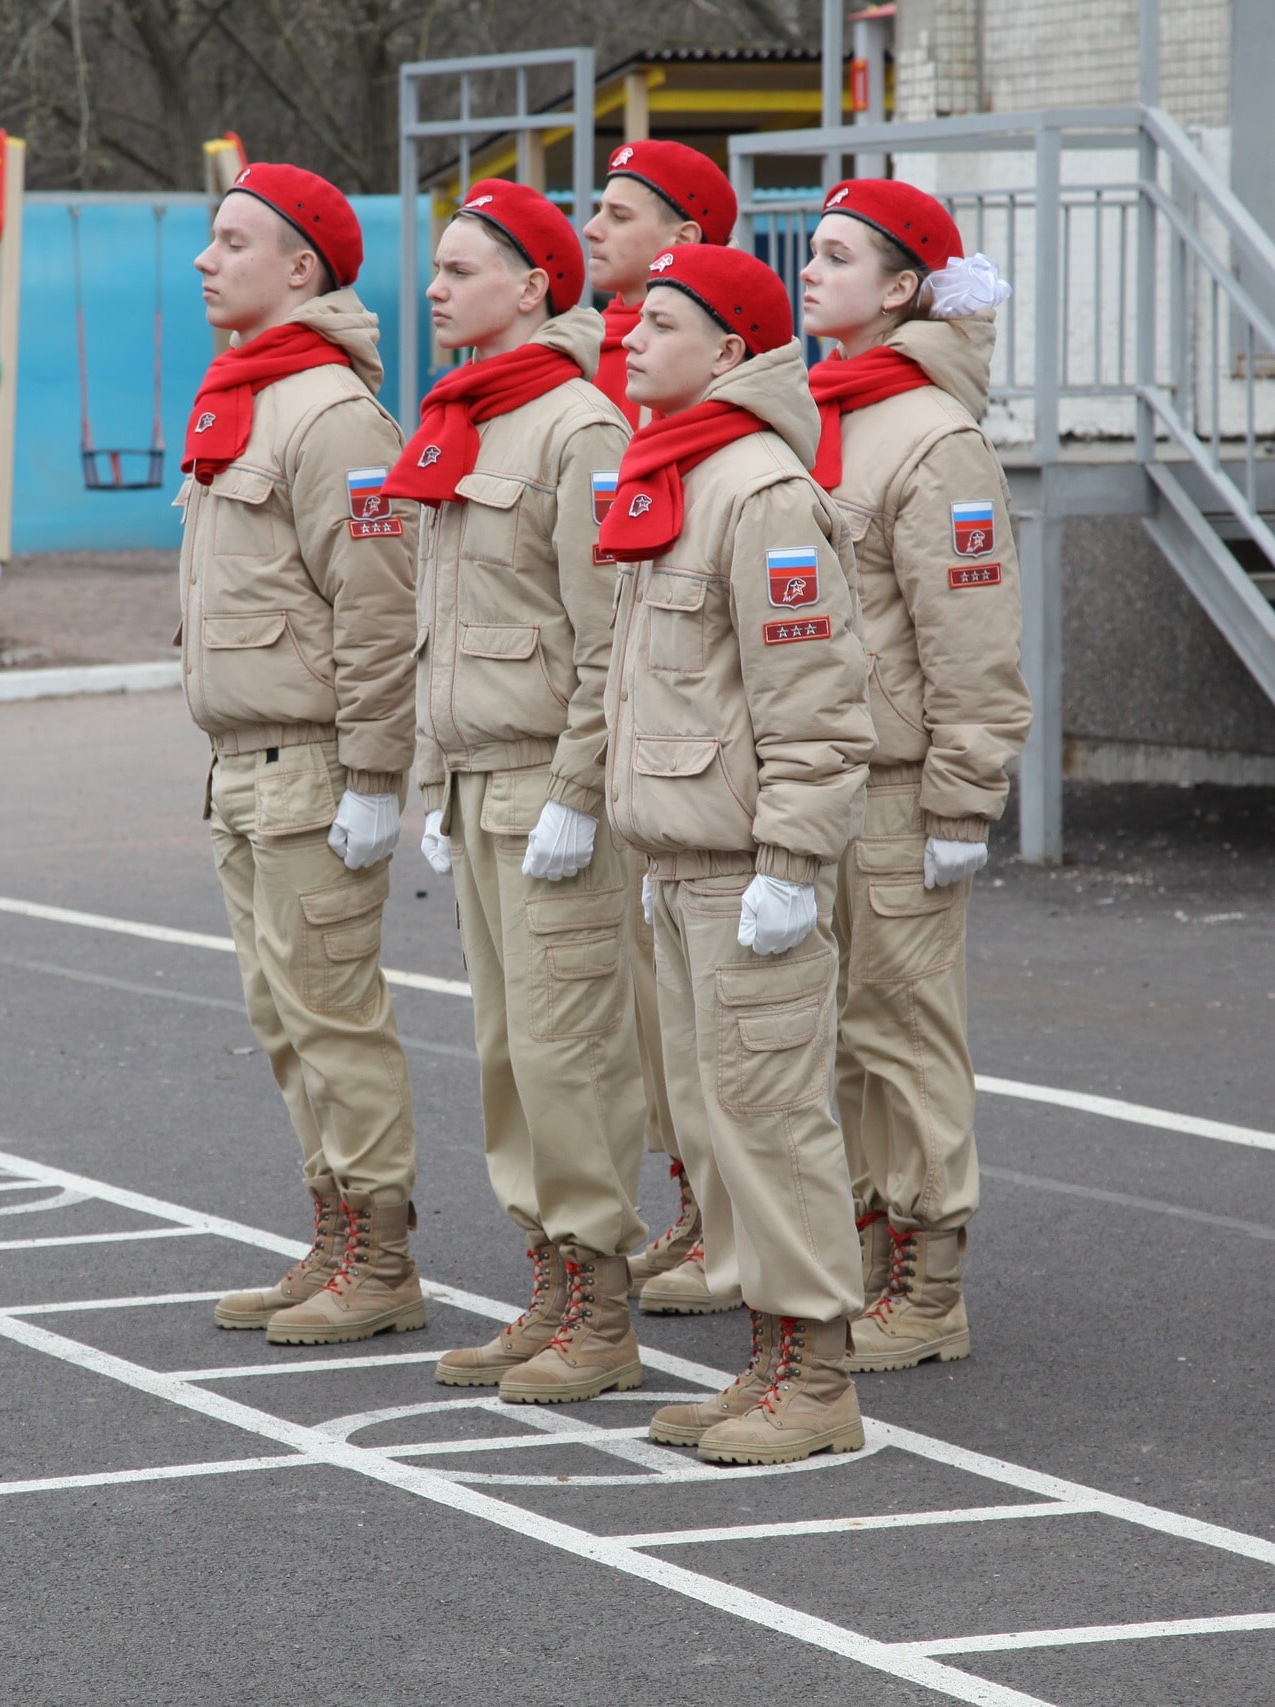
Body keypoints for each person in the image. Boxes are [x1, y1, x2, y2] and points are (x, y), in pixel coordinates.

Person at [598, 243, 878, 1465]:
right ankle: (769, 1360)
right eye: (630, 320)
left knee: (769, 1116)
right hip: (677, 866)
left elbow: (814, 699)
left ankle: (815, 1377)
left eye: (660, 324)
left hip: (740, 871)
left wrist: (792, 863)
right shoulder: (677, 473)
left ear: (728, 353)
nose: (630, 340)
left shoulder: (759, 492)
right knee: (721, 1122)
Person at [395, 180, 651, 1404]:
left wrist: (579, 790)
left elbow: (608, 640)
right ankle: (547, 1280)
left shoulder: (575, 428)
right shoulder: (463, 418)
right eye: (436, 271)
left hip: (553, 793)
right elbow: (444, 632)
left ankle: (601, 1307)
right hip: (480, 790)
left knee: (572, 1057)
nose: (435, 290)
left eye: (459, 271)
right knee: (508, 1058)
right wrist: (434, 782)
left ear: (535, 287)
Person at [184, 163, 425, 1347]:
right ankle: (330, 1231)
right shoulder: (245, 393)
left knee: (334, 1015)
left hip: (313, 767)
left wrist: (377, 778)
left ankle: (379, 1261)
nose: (203, 258)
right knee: (282, 1020)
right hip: (241, 765)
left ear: (300, 268)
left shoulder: (330, 416)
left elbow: (378, 612)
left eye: (230, 239)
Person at [799, 180, 1030, 1373]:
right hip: (818, 785)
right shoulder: (817, 408)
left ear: (902, 290)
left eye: (838, 256)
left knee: (902, 1029)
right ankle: (866, 1253)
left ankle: (928, 1283)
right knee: (835, 1038)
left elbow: (972, 642)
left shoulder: (932, 435)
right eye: (810, 251)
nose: (809, 269)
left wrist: (961, 797)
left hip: (894, 791)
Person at [576, 138, 745, 1319]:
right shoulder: (609, 361)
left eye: (619, 209)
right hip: (639, 741)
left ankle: (776, 1235)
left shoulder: (709, 387)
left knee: (747, 1031)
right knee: (656, 1022)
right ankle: (699, 1202)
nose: (592, 223)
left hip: (718, 758)